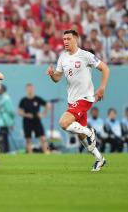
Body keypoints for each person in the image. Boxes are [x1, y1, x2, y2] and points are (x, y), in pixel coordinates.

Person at [46, 29, 110, 171]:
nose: (65, 42)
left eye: (68, 39)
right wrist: (51, 74)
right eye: (64, 39)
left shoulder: (85, 55)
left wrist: (102, 88)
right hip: (72, 100)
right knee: (80, 135)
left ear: (76, 40)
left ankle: (90, 132)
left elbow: (105, 69)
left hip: (85, 98)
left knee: (63, 123)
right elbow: (57, 78)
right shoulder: (62, 58)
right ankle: (99, 159)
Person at [18, 84, 50, 154]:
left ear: (33, 89)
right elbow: (19, 111)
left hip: (36, 120)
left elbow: (48, 105)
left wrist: (43, 114)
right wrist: (26, 115)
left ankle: (46, 152)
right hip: (27, 121)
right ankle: (30, 154)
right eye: (28, 89)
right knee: (28, 139)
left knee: (42, 137)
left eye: (31, 89)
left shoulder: (37, 99)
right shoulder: (23, 100)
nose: (30, 90)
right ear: (26, 90)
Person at [0, 84, 15, 153]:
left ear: (3, 90)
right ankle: (6, 150)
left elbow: (11, 111)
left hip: (5, 121)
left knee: (2, 137)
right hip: (2, 121)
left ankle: (5, 150)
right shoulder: (1, 97)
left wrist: (12, 123)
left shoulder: (6, 99)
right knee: (4, 137)